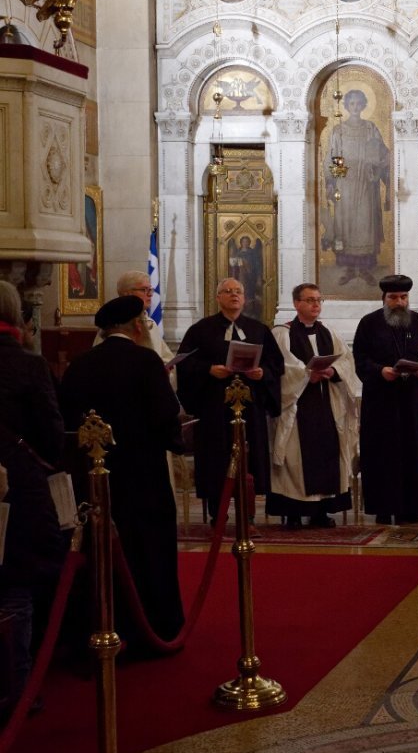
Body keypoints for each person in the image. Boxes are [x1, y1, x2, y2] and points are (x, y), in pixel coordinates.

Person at [60, 295, 186, 644]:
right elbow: (165, 418)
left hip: (93, 482)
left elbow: (66, 421)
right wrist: (177, 441)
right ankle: (155, 628)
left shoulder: (79, 365)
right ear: (136, 327)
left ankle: (99, 626)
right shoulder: (146, 362)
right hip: (142, 479)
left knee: (100, 552)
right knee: (145, 552)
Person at [0, 281, 64, 722]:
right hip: (17, 487)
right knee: (15, 587)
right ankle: (17, 690)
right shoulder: (28, 365)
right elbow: (52, 438)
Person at [176, 278, 284, 524]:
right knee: (217, 457)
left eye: (238, 292)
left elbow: (275, 364)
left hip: (250, 405)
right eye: (227, 291)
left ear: (244, 298)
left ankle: (248, 513)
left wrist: (262, 373)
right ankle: (218, 512)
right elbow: (185, 363)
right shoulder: (200, 330)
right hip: (215, 406)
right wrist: (208, 370)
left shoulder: (259, 330)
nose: (234, 295)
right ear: (218, 298)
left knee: (250, 455)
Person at [266, 284, 360, 530]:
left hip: (326, 405)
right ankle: (294, 512)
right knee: (295, 459)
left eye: (319, 300)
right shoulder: (282, 333)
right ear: (296, 303)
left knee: (327, 452)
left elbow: (346, 361)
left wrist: (333, 370)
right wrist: (307, 376)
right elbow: (282, 367)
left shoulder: (328, 332)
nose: (315, 305)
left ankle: (320, 511)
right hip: (297, 408)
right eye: (309, 300)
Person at [353, 274, 418, 524]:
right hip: (381, 402)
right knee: (383, 455)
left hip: (413, 401)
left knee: (413, 453)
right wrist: (381, 371)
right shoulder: (368, 324)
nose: (399, 302)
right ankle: (384, 508)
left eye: (403, 297)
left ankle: (413, 507)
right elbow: (360, 359)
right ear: (384, 299)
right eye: (393, 298)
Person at [323, 88, 390, 287]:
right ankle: (350, 269)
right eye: (351, 103)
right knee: (347, 225)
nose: (355, 107)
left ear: (363, 106)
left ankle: (365, 268)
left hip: (366, 184)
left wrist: (377, 169)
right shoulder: (338, 131)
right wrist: (330, 182)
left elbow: (384, 155)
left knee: (365, 223)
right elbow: (331, 158)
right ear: (346, 106)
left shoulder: (371, 129)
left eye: (358, 103)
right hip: (345, 184)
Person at [93, 269, 173, 364]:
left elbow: (167, 358)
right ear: (127, 293)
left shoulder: (151, 323)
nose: (150, 295)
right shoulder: (112, 324)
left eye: (150, 290)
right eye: (144, 290)